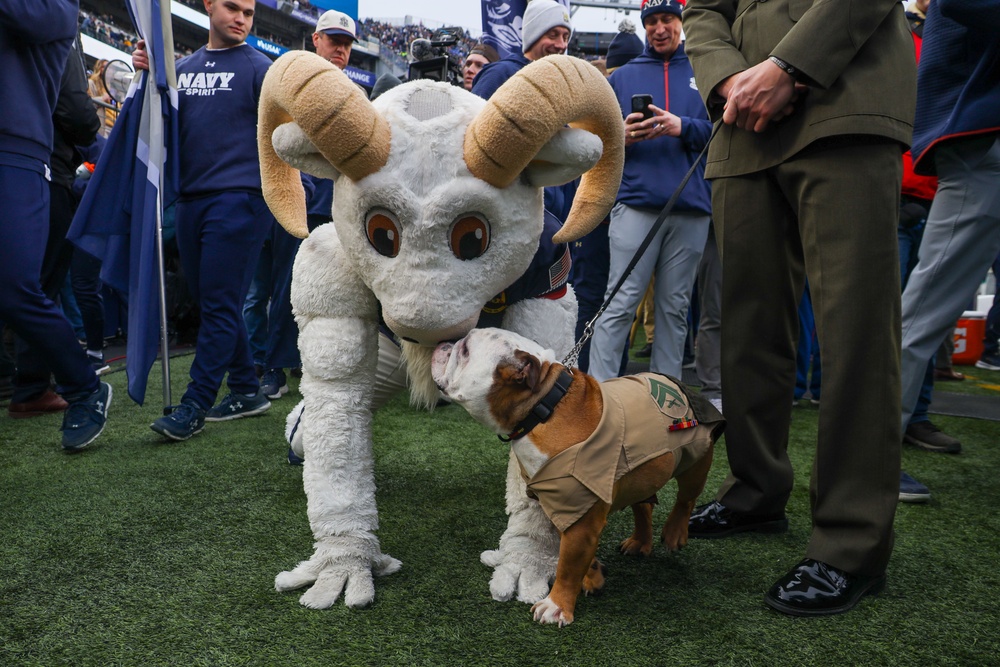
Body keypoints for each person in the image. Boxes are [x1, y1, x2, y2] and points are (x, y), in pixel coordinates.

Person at [683, 0, 916, 616]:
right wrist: (729, 78)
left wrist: (790, 64)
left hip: (844, 98)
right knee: (746, 327)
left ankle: (851, 542)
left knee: (854, 331)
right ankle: (755, 490)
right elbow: (704, 9)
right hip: (741, 125)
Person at [134, 0, 277, 440]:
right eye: (232, 8)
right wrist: (146, 73)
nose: (241, 19)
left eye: (249, 14)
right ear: (209, 5)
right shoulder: (181, 68)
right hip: (192, 199)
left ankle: (195, 403)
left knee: (217, 303)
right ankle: (248, 389)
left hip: (241, 199)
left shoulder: (262, 68)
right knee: (213, 300)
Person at [0, 0, 112, 451]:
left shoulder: (59, 6)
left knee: (16, 286)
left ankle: (83, 386)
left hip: (16, 148)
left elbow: (35, 18)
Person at [587, 0, 712, 383]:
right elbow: (593, 141)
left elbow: (726, 132)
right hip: (637, 206)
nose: (660, 28)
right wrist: (618, 136)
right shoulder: (622, 78)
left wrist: (683, 126)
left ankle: (665, 404)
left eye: (668, 20)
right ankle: (602, 398)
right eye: (653, 21)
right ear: (645, 26)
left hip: (690, 208)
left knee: (674, 310)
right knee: (619, 303)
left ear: (681, 22)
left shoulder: (705, 69)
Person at [897, 0, 1000, 457]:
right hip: (978, 139)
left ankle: (883, 440)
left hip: (974, 140)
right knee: (921, 314)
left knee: (924, 313)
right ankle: (867, 459)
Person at [471, 0, 572, 99]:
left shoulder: (560, 82)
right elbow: (472, 114)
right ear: (533, 35)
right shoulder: (500, 74)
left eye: (565, 37)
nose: (561, 45)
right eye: (553, 35)